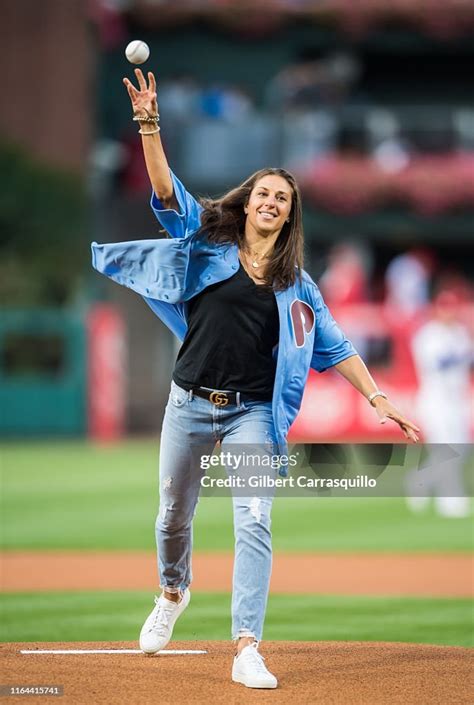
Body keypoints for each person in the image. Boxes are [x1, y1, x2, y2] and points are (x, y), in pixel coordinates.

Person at [91, 68, 420, 690]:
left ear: (289, 216)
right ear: (247, 201)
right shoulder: (207, 241)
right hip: (189, 403)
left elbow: (339, 347)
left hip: (251, 415)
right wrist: (149, 124)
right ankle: (172, 591)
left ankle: (246, 647)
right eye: (264, 193)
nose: (271, 202)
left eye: (283, 198)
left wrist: (379, 398)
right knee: (171, 518)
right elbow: (167, 191)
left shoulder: (301, 288)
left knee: (254, 520)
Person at [406, 289, 472, 518]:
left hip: (456, 401)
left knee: (462, 450)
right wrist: (462, 354)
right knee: (447, 450)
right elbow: (439, 363)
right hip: (435, 401)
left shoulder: (459, 333)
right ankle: (450, 502)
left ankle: (419, 480)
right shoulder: (428, 334)